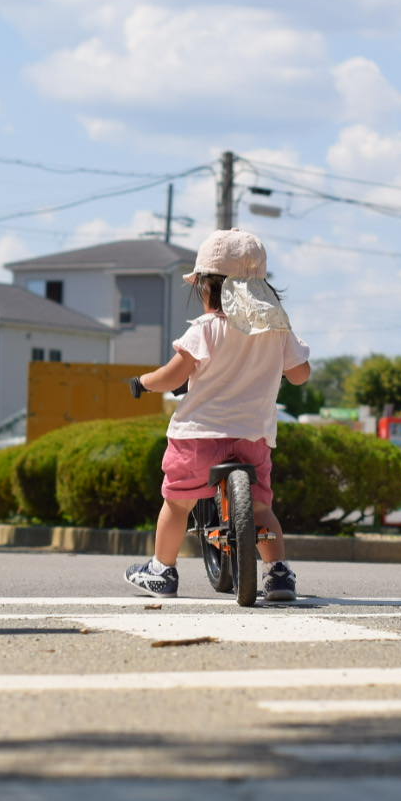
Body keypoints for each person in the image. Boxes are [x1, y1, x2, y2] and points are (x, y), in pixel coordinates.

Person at [124, 229, 311, 601]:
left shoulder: (206, 329)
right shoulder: (277, 330)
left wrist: (143, 382)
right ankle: (278, 573)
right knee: (261, 508)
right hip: (253, 436)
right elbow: (301, 374)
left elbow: (172, 377)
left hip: (199, 436)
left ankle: (162, 570)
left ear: (206, 287)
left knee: (177, 503)